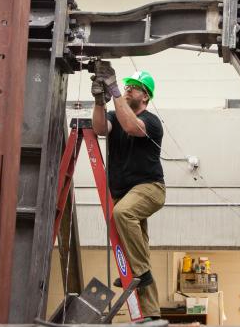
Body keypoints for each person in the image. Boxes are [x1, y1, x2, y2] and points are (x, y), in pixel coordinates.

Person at [91, 61, 165, 320]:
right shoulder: (114, 116)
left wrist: (114, 91)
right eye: (127, 86)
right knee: (138, 250)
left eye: (134, 88)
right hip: (124, 192)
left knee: (122, 214)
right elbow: (100, 128)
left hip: (150, 189)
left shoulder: (151, 122)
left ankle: (141, 273)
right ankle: (152, 312)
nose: (128, 90)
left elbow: (132, 127)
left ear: (146, 95)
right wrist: (101, 100)